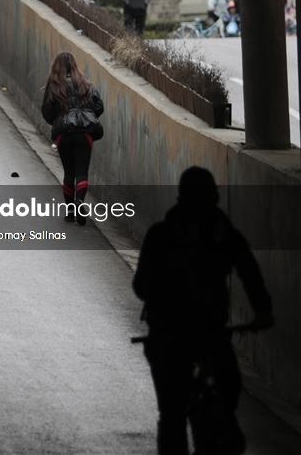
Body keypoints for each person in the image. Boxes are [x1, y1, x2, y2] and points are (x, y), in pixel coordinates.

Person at [132, 167, 274, 455]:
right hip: (173, 335)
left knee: (185, 408)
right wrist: (262, 312)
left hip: (193, 333)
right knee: (176, 411)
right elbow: (250, 274)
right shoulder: (182, 236)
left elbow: (249, 272)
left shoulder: (204, 235)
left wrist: (263, 309)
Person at [40, 52, 104, 224]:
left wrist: (57, 118)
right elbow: (99, 106)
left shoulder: (53, 86)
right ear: (75, 65)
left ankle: (69, 212)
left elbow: (46, 112)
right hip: (85, 133)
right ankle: (80, 202)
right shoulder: (86, 83)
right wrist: (86, 113)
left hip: (63, 134)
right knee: (82, 171)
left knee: (69, 172)